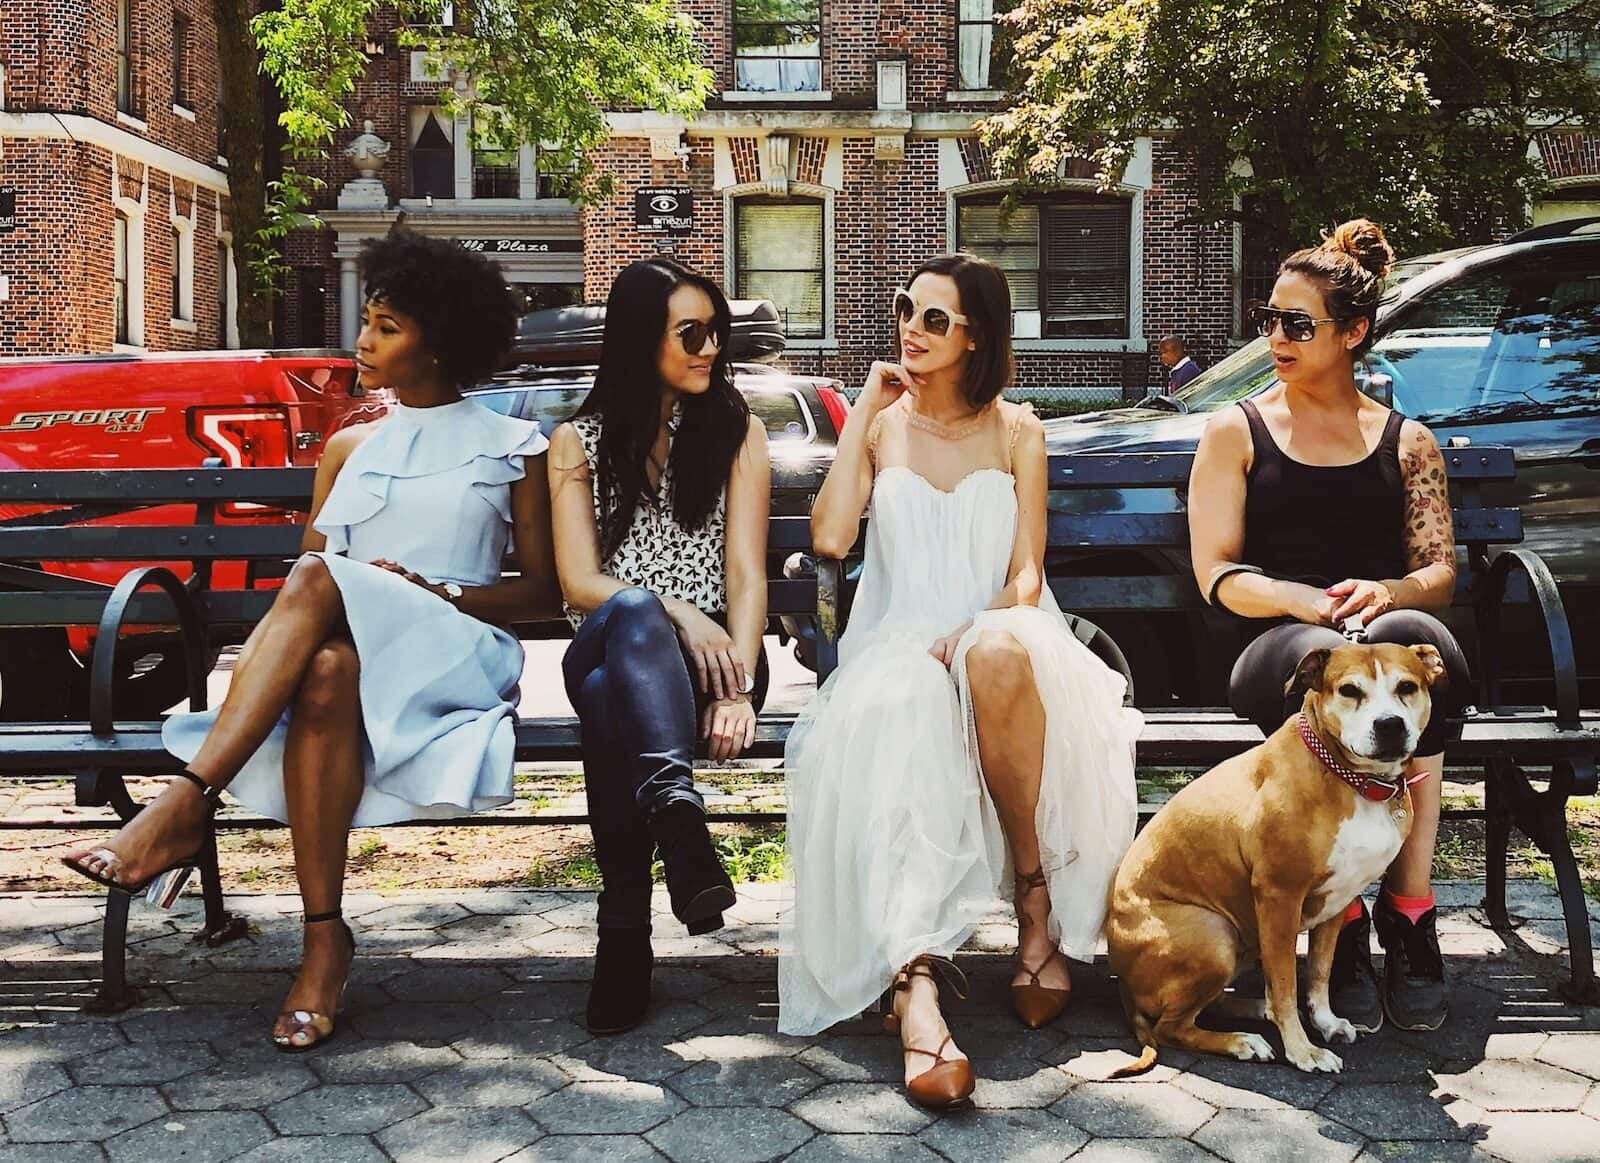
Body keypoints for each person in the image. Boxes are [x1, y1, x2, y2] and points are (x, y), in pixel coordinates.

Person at [61, 228, 558, 1052]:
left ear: (440, 341)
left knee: (319, 577)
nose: (362, 339)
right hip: (355, 657)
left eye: (387, 325)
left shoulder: (513, 445)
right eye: (368, 318)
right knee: (324, 664)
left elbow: (542, 592)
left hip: (453, 653)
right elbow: (312, 598)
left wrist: (432, 590)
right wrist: (366, 593)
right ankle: (324, 940)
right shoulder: (348, 446)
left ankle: (185, 801)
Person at [780, 254, 1142, 1108]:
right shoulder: (882, 426)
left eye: (934, 318)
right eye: (907, 309)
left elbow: (1027, 573)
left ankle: (1035, 905)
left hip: (999, 626)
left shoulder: (1019, 430)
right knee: (905, 699)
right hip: (895, 643)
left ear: (976, 334)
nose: (911, 326)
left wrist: (976, 624)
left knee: (997, 653)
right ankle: (916, 986)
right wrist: (868, 404)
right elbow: (831, 539)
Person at [1188, 218, 1468, 1034]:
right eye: (1269, 318)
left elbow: (1439, 571)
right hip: (1271, 636)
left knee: (1431, 653)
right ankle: (1336, 920)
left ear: (1352, 333)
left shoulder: (1405, 441)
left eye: (1297, 324)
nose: (1276, 336)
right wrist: (1302, 599)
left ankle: (1408, 912)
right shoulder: (1234, 431)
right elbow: (1216, 573)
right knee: (1326, 662)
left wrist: (1388, 588)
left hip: (1381, 635)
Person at [549, 257, 771, 1036]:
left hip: (714, 666)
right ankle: (676, 815)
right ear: (642, 340)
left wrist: (738, 683)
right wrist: (675, 609)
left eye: (715, 332)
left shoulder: (738, 432)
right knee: (632, 618)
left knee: (615, 699)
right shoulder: (578, 441)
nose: (709, 347)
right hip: (613, 636)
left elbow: (745, 572)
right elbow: (581, 583)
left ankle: (626, 931)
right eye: (690, 333)